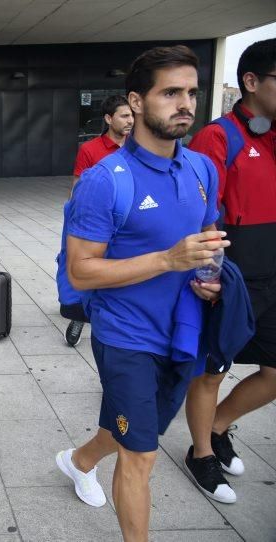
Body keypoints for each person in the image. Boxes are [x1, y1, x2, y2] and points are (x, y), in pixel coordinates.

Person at [53, 45, 230, 541]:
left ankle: (78, 460)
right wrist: (168, 260)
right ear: (136, 101)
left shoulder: (200, 169)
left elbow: (209, 233)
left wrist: (214, 277)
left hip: (183, 331)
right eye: (170, 92)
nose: (186, 104)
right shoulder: (105, 181)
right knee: (142, 452)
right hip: (126, 335)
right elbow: (82, 271)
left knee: (132, 428)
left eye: (191, 92)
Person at [183, 38, 276, 505]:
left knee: (273, 373)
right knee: (212, 370)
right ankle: (201, 452)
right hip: (235, 278)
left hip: (274, 273)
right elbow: (202, 214)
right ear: (252, 82)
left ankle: (217, 426)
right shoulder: (219, 137)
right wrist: (208, 277)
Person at [63, 95, 134, 347]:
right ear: (108, 118)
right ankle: (79, 315)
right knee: (88, 266)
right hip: (97, 222)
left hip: (126, 223)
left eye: (132, 115)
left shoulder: (136, 149)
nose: (130, 121)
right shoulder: (90, 150)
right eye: (124, 116)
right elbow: (77, 187)